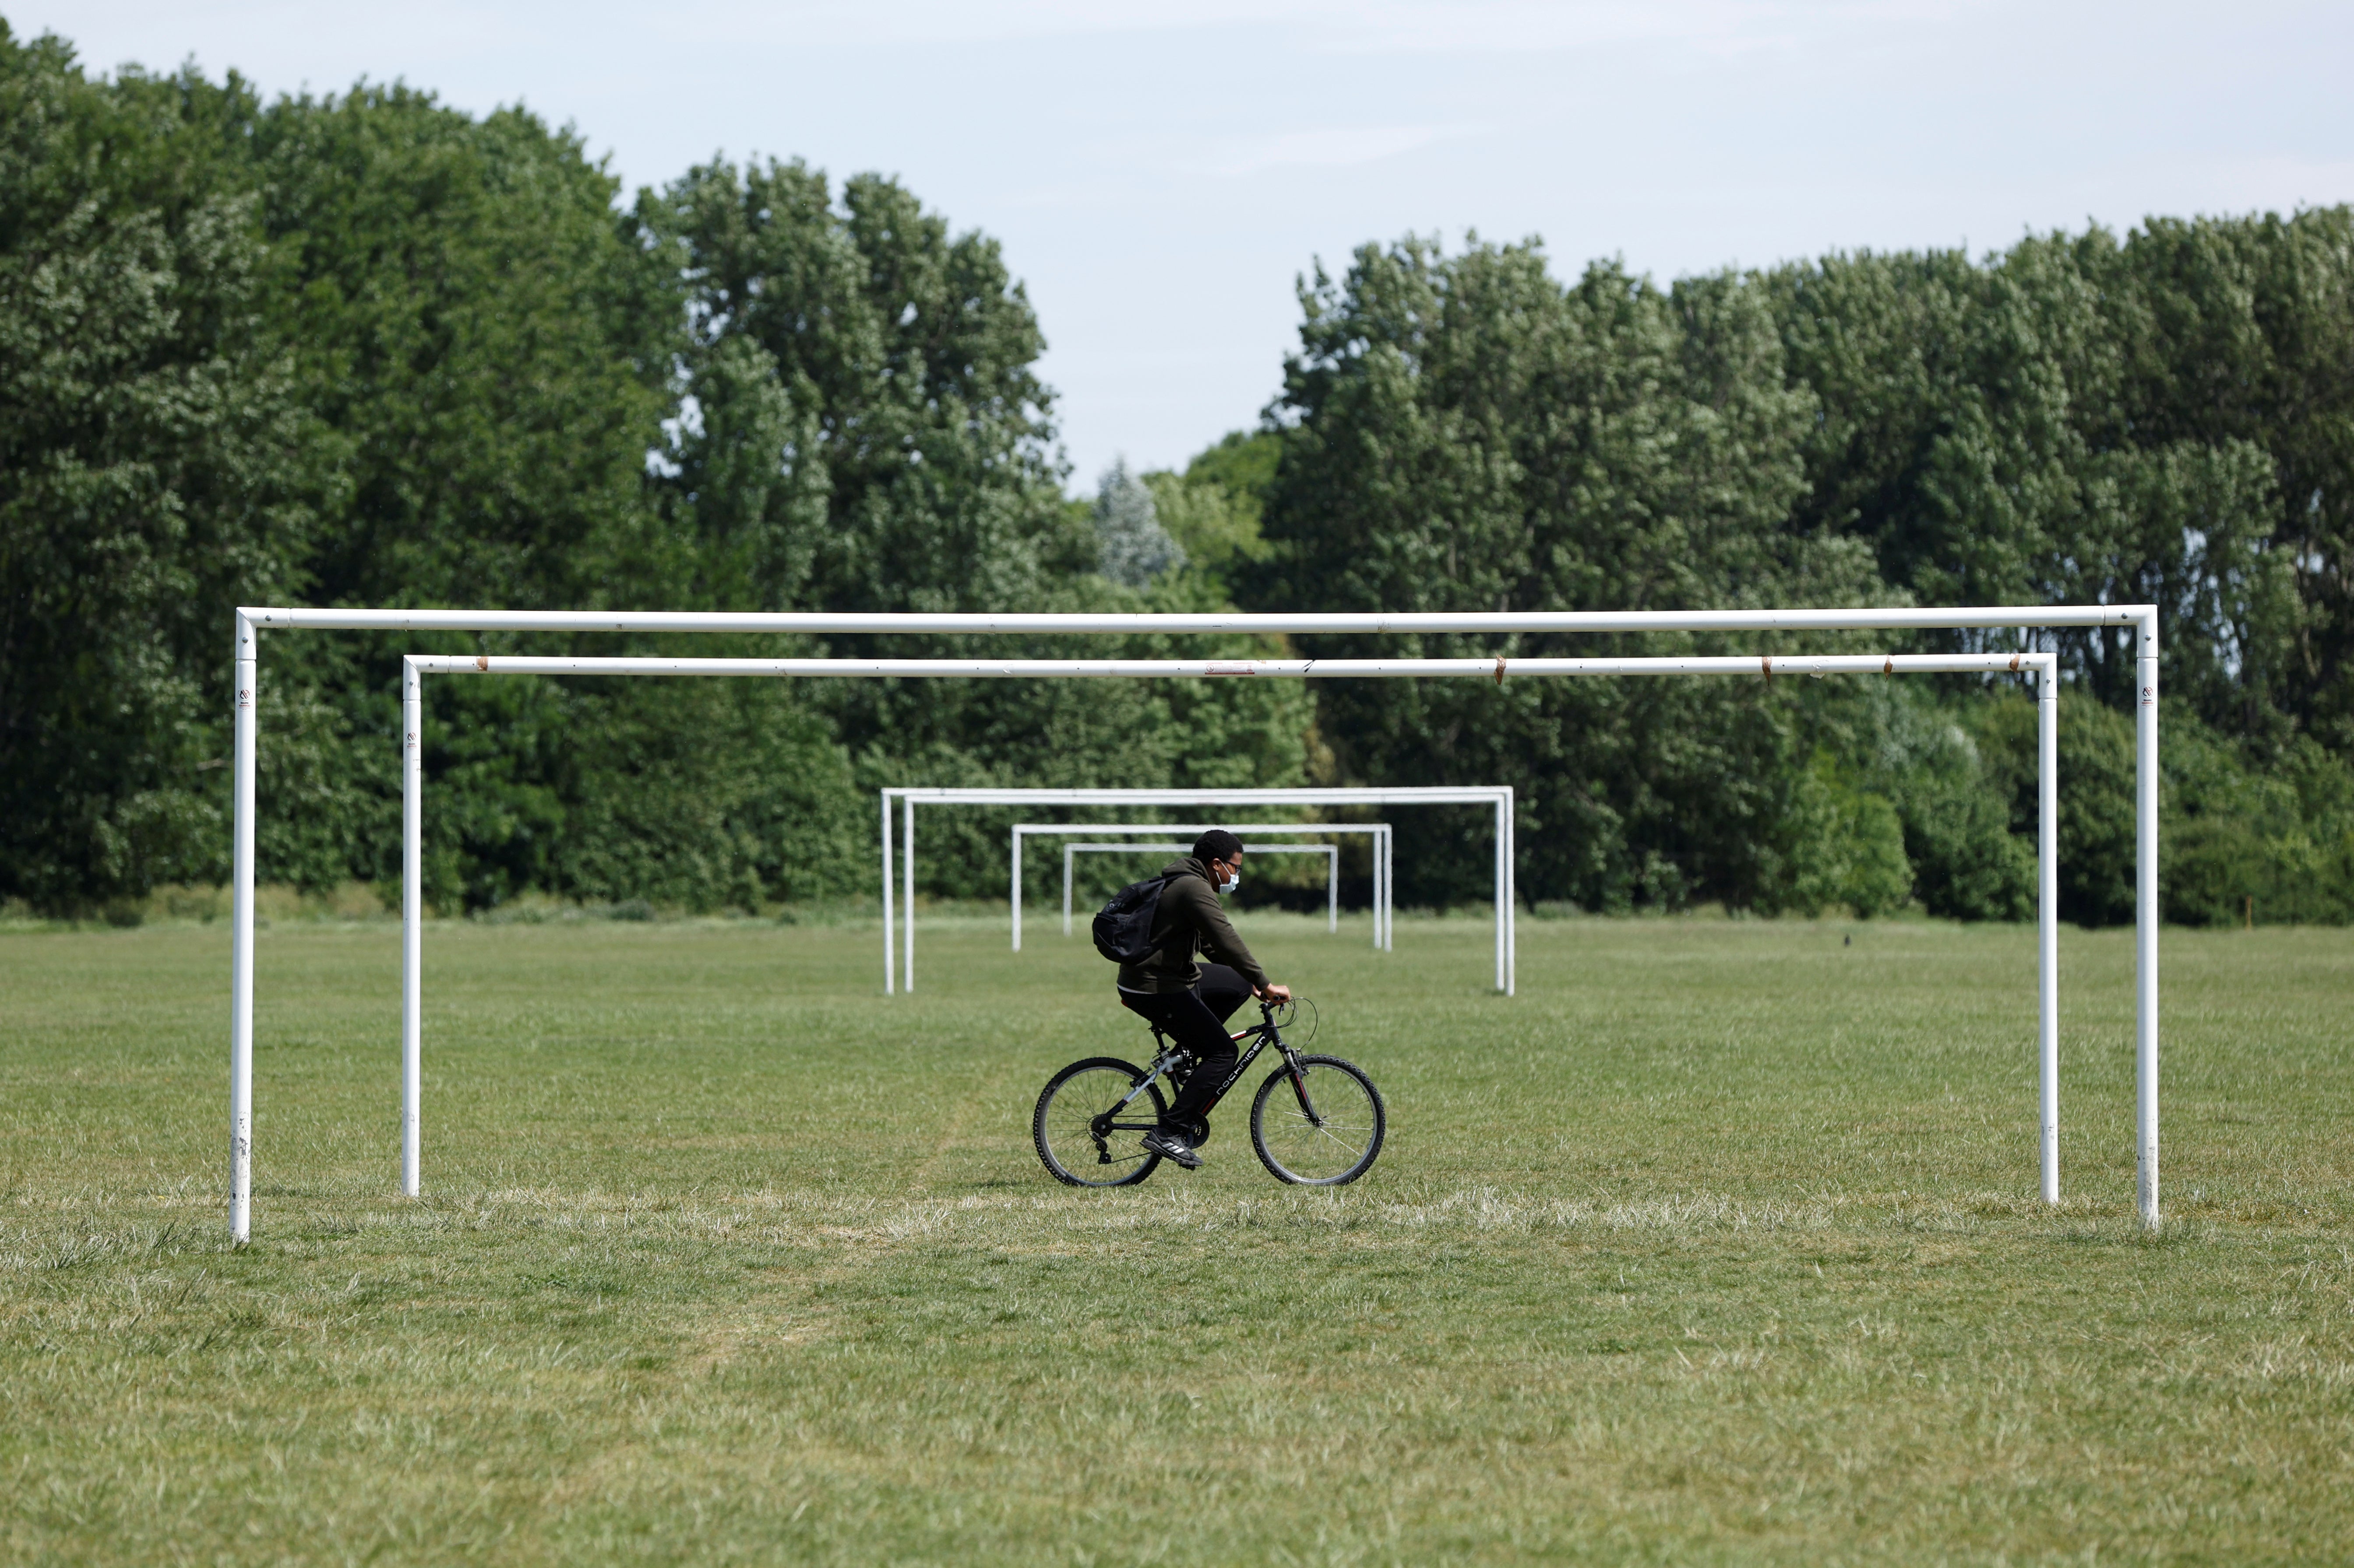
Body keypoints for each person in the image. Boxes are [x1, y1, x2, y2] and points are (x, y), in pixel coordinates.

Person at [1116, 828, 1292, 1170]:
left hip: (1164, 976)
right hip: (1153, 986)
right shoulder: (1194, 888)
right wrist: (1266, 982)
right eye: (1235, 869)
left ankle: (1187, 1052)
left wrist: (1252, 982)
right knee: (1224, 1053)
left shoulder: (1187, 882)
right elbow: (1226, 939)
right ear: (1216, 864)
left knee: (1237, 985)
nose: (1236, 876)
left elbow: (1209, 945)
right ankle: (1168, 1131)